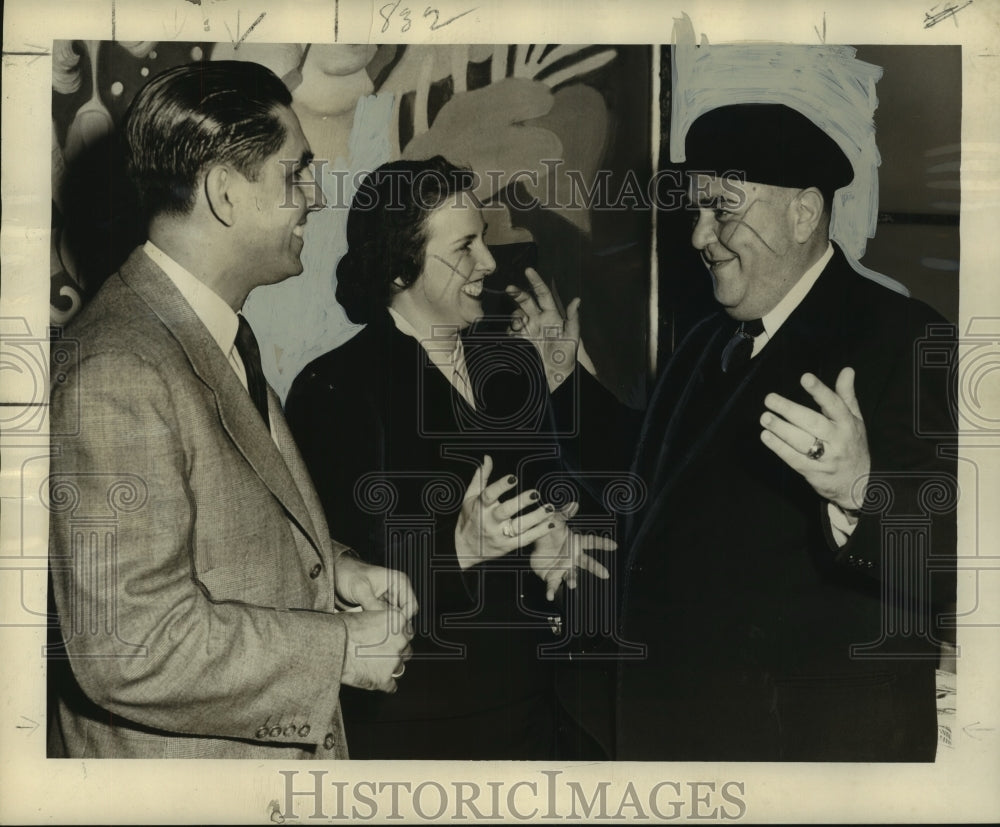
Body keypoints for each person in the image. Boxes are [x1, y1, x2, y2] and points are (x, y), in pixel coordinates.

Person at [516, 103, 957, 761]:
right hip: (685, 739)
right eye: (697, 212)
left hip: (803, 758)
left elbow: (955, 552)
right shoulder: (709, 339)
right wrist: (564, 383)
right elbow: (651, 484)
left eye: (722, 210)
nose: (699, 235)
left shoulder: (902, 335)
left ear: (804, 213)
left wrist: (862, 489)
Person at [47, 60, 417, 760]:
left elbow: (220, 519)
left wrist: (332, 568)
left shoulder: (204, 334)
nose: (313, 197)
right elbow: (132, 642)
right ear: (223, 193)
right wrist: (337, 650)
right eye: (294, 174)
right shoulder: (116, 370)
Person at [285, 157, 614, 759]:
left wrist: (563, 536)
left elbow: (588, 491)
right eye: (464, 246)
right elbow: (332, 578)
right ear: (399, 267)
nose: (488, 262)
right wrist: (462, 546)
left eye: (484, 240)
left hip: (540, 715)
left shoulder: (511, 367)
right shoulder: (335, 387)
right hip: (423, 732)